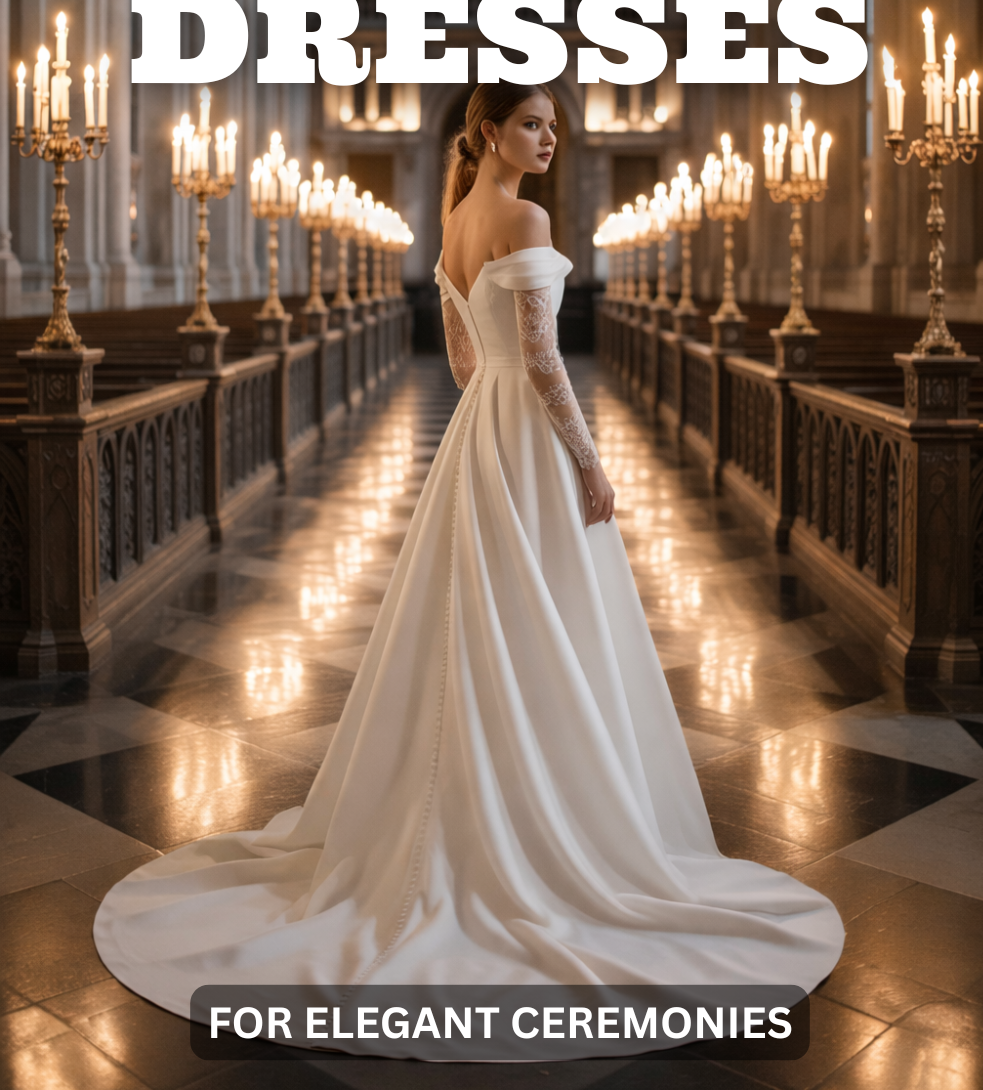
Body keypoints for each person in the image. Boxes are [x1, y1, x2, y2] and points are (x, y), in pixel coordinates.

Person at [94, 83, 843, 1050]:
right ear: (489, 131)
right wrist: (587, 458)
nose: (549, 140)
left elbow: (464, 364)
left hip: (474, 438)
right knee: (543, 618)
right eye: (533, 123)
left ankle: (465, 812)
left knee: (473, 617)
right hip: (527, 438)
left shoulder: (453, 220)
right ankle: (542, 819)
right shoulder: (523, 214)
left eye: (554, 126)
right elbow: (541, 359)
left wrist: (498, 400)